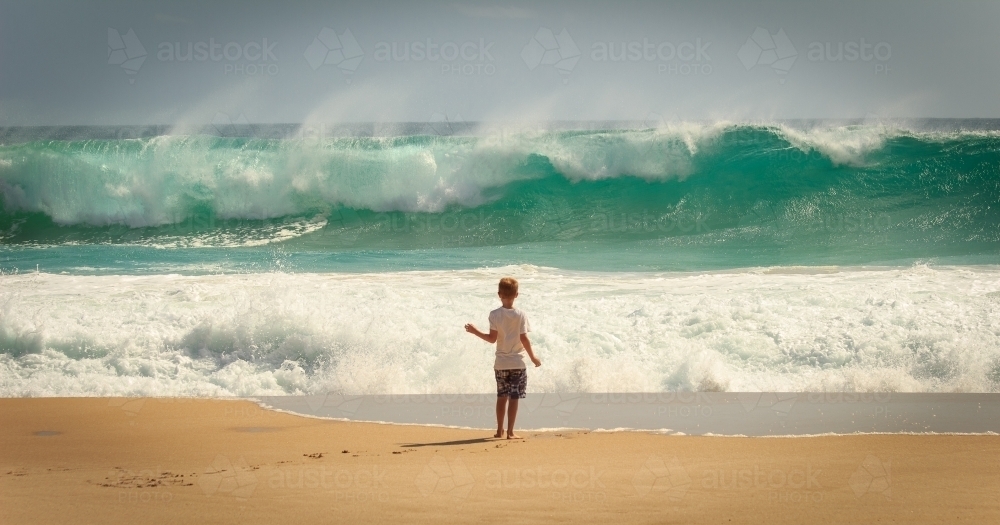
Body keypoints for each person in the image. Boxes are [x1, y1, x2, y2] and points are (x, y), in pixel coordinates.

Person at [465, 276, 542, 439]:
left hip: (501, 364)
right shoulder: (521, 315)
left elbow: (492, 339)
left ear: (499, 294)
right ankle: (510, 432)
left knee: (501, 397)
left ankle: (499, 430)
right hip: (518, 364)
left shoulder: (494, 315)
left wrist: (475, 331)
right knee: (514, 398)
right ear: (517, 295)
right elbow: (524, 339)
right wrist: (533, 358)